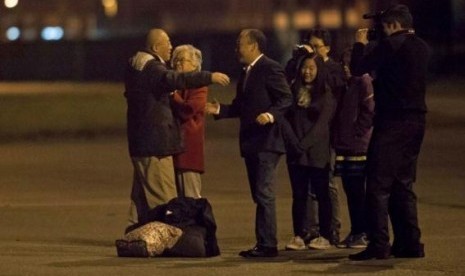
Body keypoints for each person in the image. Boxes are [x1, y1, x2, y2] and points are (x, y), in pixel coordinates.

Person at [124, 28, 229, 230]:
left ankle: (135, 231)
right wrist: (209, 76)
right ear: (156, 47)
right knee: (165, 198)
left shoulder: (137, 64)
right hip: (155, 144)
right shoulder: (153, 68)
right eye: (168, 43)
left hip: (144, 142)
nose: (171, 48)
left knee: (141, 196)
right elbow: (174, 79)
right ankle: (167, 237)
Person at [348, 4, 431, 260]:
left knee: (377, 184)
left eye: (384, 27)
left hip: (392, 121)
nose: (381, 32)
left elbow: (357, 68)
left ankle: (379, 244)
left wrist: (360, 44)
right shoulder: (421, 47)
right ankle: (410, 243)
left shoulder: (392, 45)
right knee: (403, 183)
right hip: (416, 121)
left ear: (394, 25)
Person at [205, 29, 292, 258]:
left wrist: (270, 115)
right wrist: (219, 110)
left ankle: (267, 245)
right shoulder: (247, 72)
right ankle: (263, 242)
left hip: (267, 141)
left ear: (253, 46)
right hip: (252, 141)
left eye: (240, 43)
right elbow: (240, 106)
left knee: (264, 194)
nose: (236, 48)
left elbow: (286, 98)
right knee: (258, 195)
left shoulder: (270, 68)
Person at [282, 52, 336, 251]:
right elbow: (285, 118)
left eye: (312, 68)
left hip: (317, 153)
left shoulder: (326, 94)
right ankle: (299, 235)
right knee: (299, 195)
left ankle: (325, 235)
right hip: (296, 154)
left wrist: (302, 145)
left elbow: (322, 126)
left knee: (322, 194)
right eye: (304, 67)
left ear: (319, 71)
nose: (307, 72)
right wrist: (293, 144)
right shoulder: (293, 90)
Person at [306, 28, 347, 245]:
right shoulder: (305, 68)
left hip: (329, 135)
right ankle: (313, 230)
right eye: (310, 46)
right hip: (310, 135)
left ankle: (331, 230)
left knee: (328, 184)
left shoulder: (333, 69)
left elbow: (336, 94)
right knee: (312, 186)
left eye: (316, 47)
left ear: (327, 48)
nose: (312, 50)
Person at [333, 47, 375, 249]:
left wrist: (357, 132)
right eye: (343, 64)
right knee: (350, 190)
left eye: (349, 64)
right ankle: (357, 230)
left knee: (358, 190)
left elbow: (369, 111)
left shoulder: (363, 81)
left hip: (358, 146)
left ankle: (363, 232)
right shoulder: (346, 84)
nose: (346, 68)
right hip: (345, 145)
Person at [170, 44, 208, 198]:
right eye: (176, 60)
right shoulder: (174, 84)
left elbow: (189, 109)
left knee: (190, 196)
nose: (178, 63)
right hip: (173, 146)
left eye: (183, 60)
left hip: (188, 148)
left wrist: (172, 95)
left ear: (194, 64)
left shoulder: (199, 85)